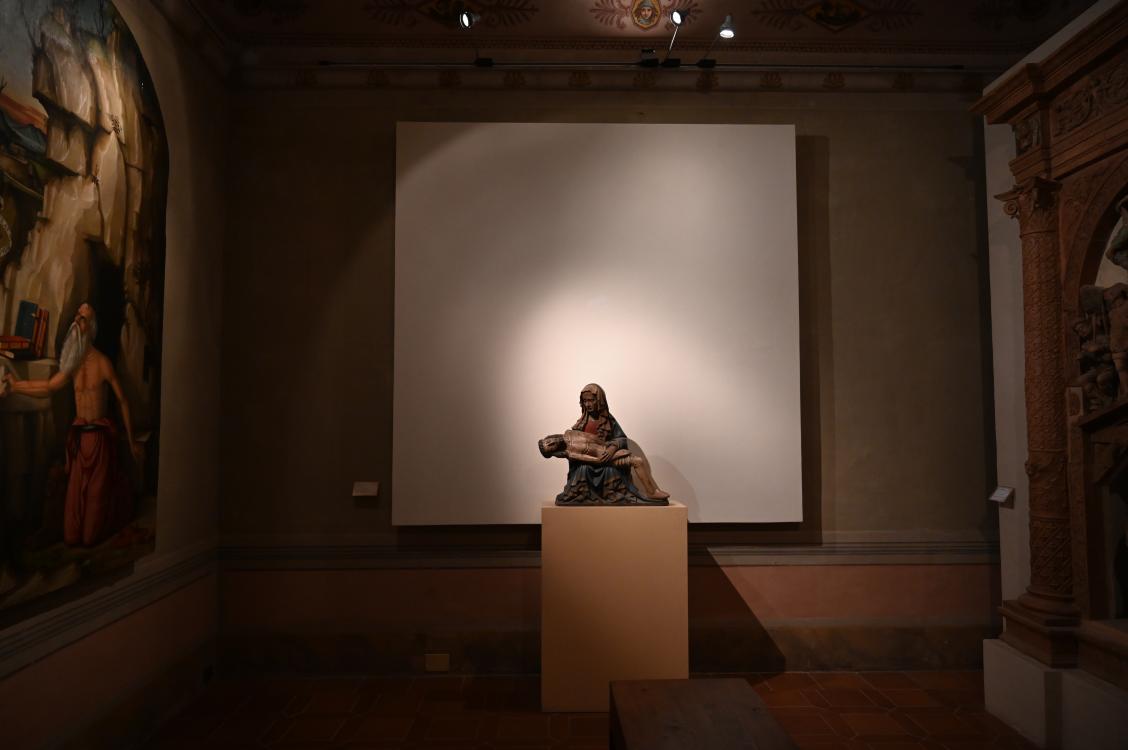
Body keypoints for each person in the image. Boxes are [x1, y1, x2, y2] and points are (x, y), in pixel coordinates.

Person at [1, 303, 140, 546]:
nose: (77, 321)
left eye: (83, 318)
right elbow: (48, 387)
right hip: (78, 446)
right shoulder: (73, 365)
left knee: (89, 538)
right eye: (77, 316)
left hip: (99, 444)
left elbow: (123, 401)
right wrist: (15, 387)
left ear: (91, 328)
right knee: (71, 535)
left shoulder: (103, 363)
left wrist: (131, 442)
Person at [539, 383, 669, 505]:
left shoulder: (608, 421)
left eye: (591, 400)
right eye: (585, 401)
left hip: (608, 455)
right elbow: (574, 452)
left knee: (632, 463)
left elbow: (622, 439)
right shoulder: (580, 425)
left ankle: (652, 492)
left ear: (599, 401)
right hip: (592, 461)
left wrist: (612, 449)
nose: (588, 404)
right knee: (584, 469)